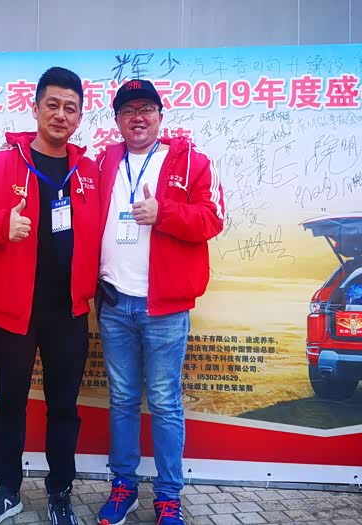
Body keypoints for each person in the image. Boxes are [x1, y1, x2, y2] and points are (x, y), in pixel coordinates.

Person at [0, 66, 99, 525]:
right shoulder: (0, 165)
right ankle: (7, 491)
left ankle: (60, 493)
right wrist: (2, 224)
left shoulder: (89, 172)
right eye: (52, 104)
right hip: (14, 311)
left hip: (69, 312)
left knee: (64, 408)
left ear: (79, 117)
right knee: (9, 405)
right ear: (35, 108)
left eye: (70, 108)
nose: (60, 114)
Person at [94, 79, 224, 525]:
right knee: (122, 400)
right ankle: (123, 487)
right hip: (114, 303)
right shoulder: (103, 161)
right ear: (117, 120)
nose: (138, 117)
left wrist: (163, 213)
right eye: (128, 110)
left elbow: (213, 218)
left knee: (165, 403)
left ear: (160, 116)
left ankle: (168, 498)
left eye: (146, 108)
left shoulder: (190, 161)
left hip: (164, 308)